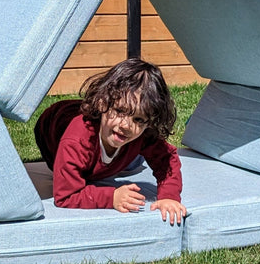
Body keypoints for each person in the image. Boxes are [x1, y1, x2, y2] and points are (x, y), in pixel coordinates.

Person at [34, 58, 187, 225]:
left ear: (150, 122)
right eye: (120, 111)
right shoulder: (76, 140)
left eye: (138, 119)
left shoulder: (141, 133)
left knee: (132, 158)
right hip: (52, 125)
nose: (126, 125)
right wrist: (111, 197)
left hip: (107, 136)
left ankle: (119, 154)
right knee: (81, 170)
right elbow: (66, 195)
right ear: (102, 103)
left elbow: (167, 159)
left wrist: (169, 197)